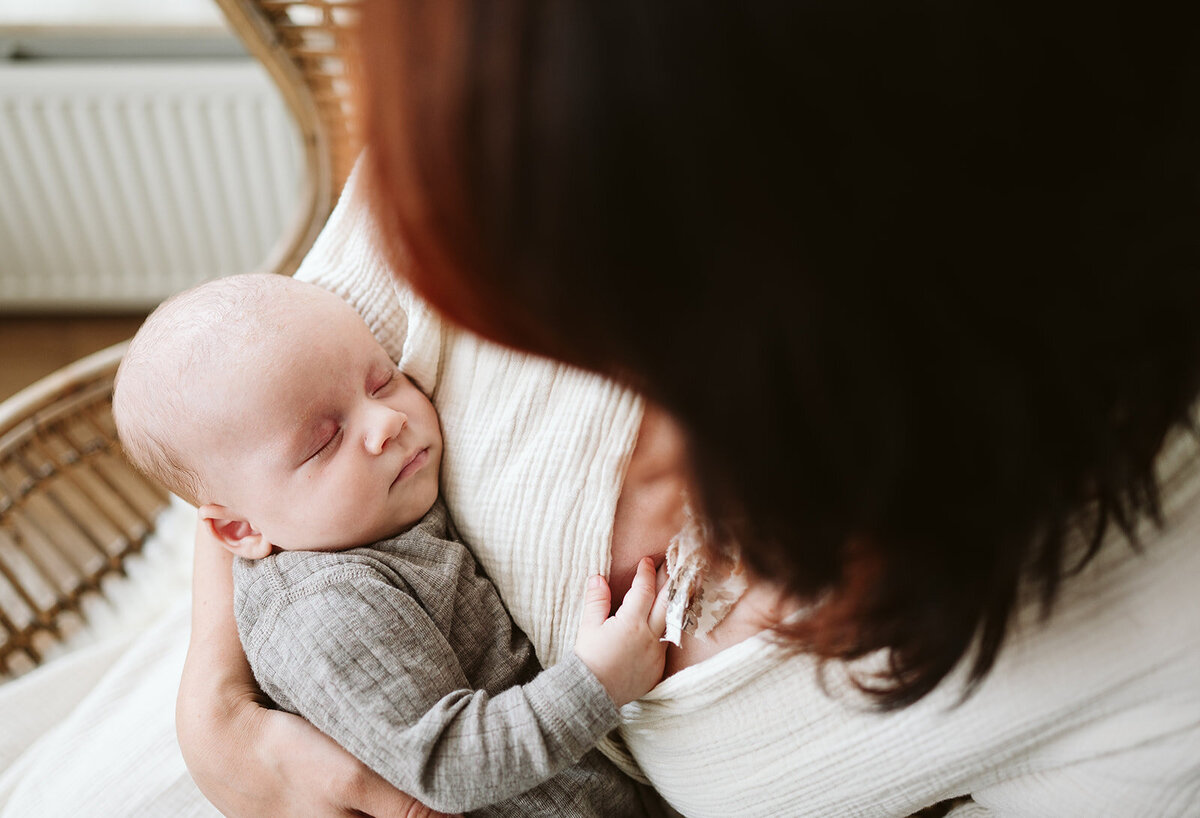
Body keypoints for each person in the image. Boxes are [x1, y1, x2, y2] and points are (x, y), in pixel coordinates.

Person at [177, 3, 1200, 816]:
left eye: (590, 319)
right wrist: (217, 716)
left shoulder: (1156, 667)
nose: (394, 415)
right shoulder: (518, 95)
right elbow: (238, 418)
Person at [113, 273, 668, 817]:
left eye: (382, 381)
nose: (386, 420)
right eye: (324, 443)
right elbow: (449, 767)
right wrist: (599, 681)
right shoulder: (326, 610)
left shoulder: (368, 511)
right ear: (242, 531)